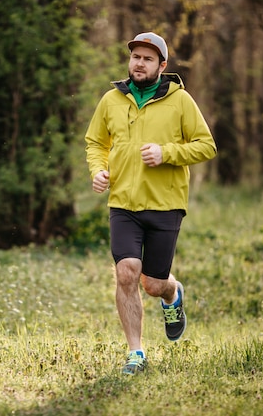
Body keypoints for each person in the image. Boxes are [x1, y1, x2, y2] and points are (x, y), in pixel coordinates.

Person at [84, 32, 217, 375]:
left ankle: (172, 293)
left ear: (162, 65)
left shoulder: (180, 100)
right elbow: (95, 142)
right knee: (127, 271)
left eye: (147, 58)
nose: (139, 63)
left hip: (165, 204)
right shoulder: (112, 100)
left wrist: (167, 153)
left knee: (152, 283)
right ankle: (136, 353)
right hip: (124, 203)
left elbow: (206, 146)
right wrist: (99, 170)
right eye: (135, 58)